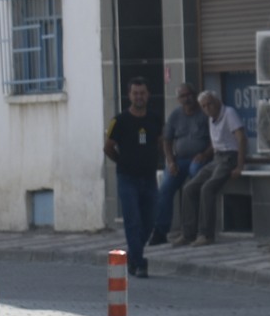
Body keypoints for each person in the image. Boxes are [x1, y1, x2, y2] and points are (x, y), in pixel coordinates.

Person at [103, 78, 162, 278]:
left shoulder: (155, 118)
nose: (139, 97)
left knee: (150, 221)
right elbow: (108, 147)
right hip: (127, 178)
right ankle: (140, 263)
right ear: (129, 95)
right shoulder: (119, 121)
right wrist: (122, 162)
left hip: (149, 178)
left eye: (142, 93)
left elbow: (161, 143)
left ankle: (132, 257)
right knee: (133, 221)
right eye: (135, 93)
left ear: (148, 95)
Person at [174, 90, 244, 247]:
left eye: (210, 104)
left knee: (207, 188)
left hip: (229, 157)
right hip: (216, 158)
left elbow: (241, 138)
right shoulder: (211, 119)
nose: (208, 108)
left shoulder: (229, 113)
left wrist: (240, 165)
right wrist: (204, 155)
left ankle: (206, 234)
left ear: (217, 101)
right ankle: (188, 233)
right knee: (189, 188)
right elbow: (215, 143)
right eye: (204, 106)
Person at [151, 83, 212, 246]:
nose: (188, 98)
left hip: (199, 158)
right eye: (184, 96)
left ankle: (196, 229)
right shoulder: (175, 115)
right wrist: (170, 161)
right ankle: (161, 230)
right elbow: (167, 140)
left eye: (190, 94)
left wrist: (205, 154)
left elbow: (215, 139)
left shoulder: (204, 113)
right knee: (165, 187)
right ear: (179, 99)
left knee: (193, 184)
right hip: (179, 159)